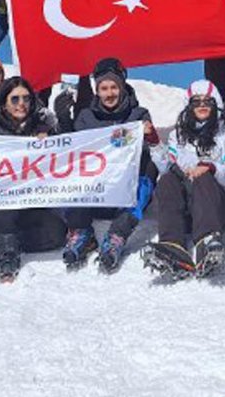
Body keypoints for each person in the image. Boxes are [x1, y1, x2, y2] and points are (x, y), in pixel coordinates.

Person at [61, 58, 161, 273]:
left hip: (125, 190)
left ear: (122, 87)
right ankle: (81, 232)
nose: (109, 93)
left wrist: (150, 135)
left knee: (149, 168)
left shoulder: (138, 114)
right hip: (96, 189)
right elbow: (72, 150)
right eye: (103, 88)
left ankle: (118, 234)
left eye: (114, 87)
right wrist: (63, 119)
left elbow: (154, 150)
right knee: (70, 173)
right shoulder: (86, 116)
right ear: (97, 90)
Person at [0, 76, 67, 282]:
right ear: (4, 103)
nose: (21, 104)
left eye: (26, 98)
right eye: (14, 99)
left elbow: (65, 158)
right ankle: (8, 255)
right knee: (6, 204)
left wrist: (48, 142)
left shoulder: (41, 130)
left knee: (56, 233)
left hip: (30, 205)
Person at [143, 80, 225, 278]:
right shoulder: (178, 136)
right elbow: (165, 166)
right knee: (168, 180)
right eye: (196, 102)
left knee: (203, 177)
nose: (202, 106)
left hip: (215, 207)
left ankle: (207, 241)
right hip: (187, 209)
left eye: (208, 102)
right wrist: (154, 141)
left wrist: (211, 168)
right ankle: (173, 245)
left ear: (216, 106)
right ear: (189, 106)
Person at [26, 0, 98, 106]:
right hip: (42, 48)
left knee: (81, 95)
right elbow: (7, 12)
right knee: (38, 97)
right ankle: (38, 130)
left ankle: (83, 130)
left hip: (73, 44)